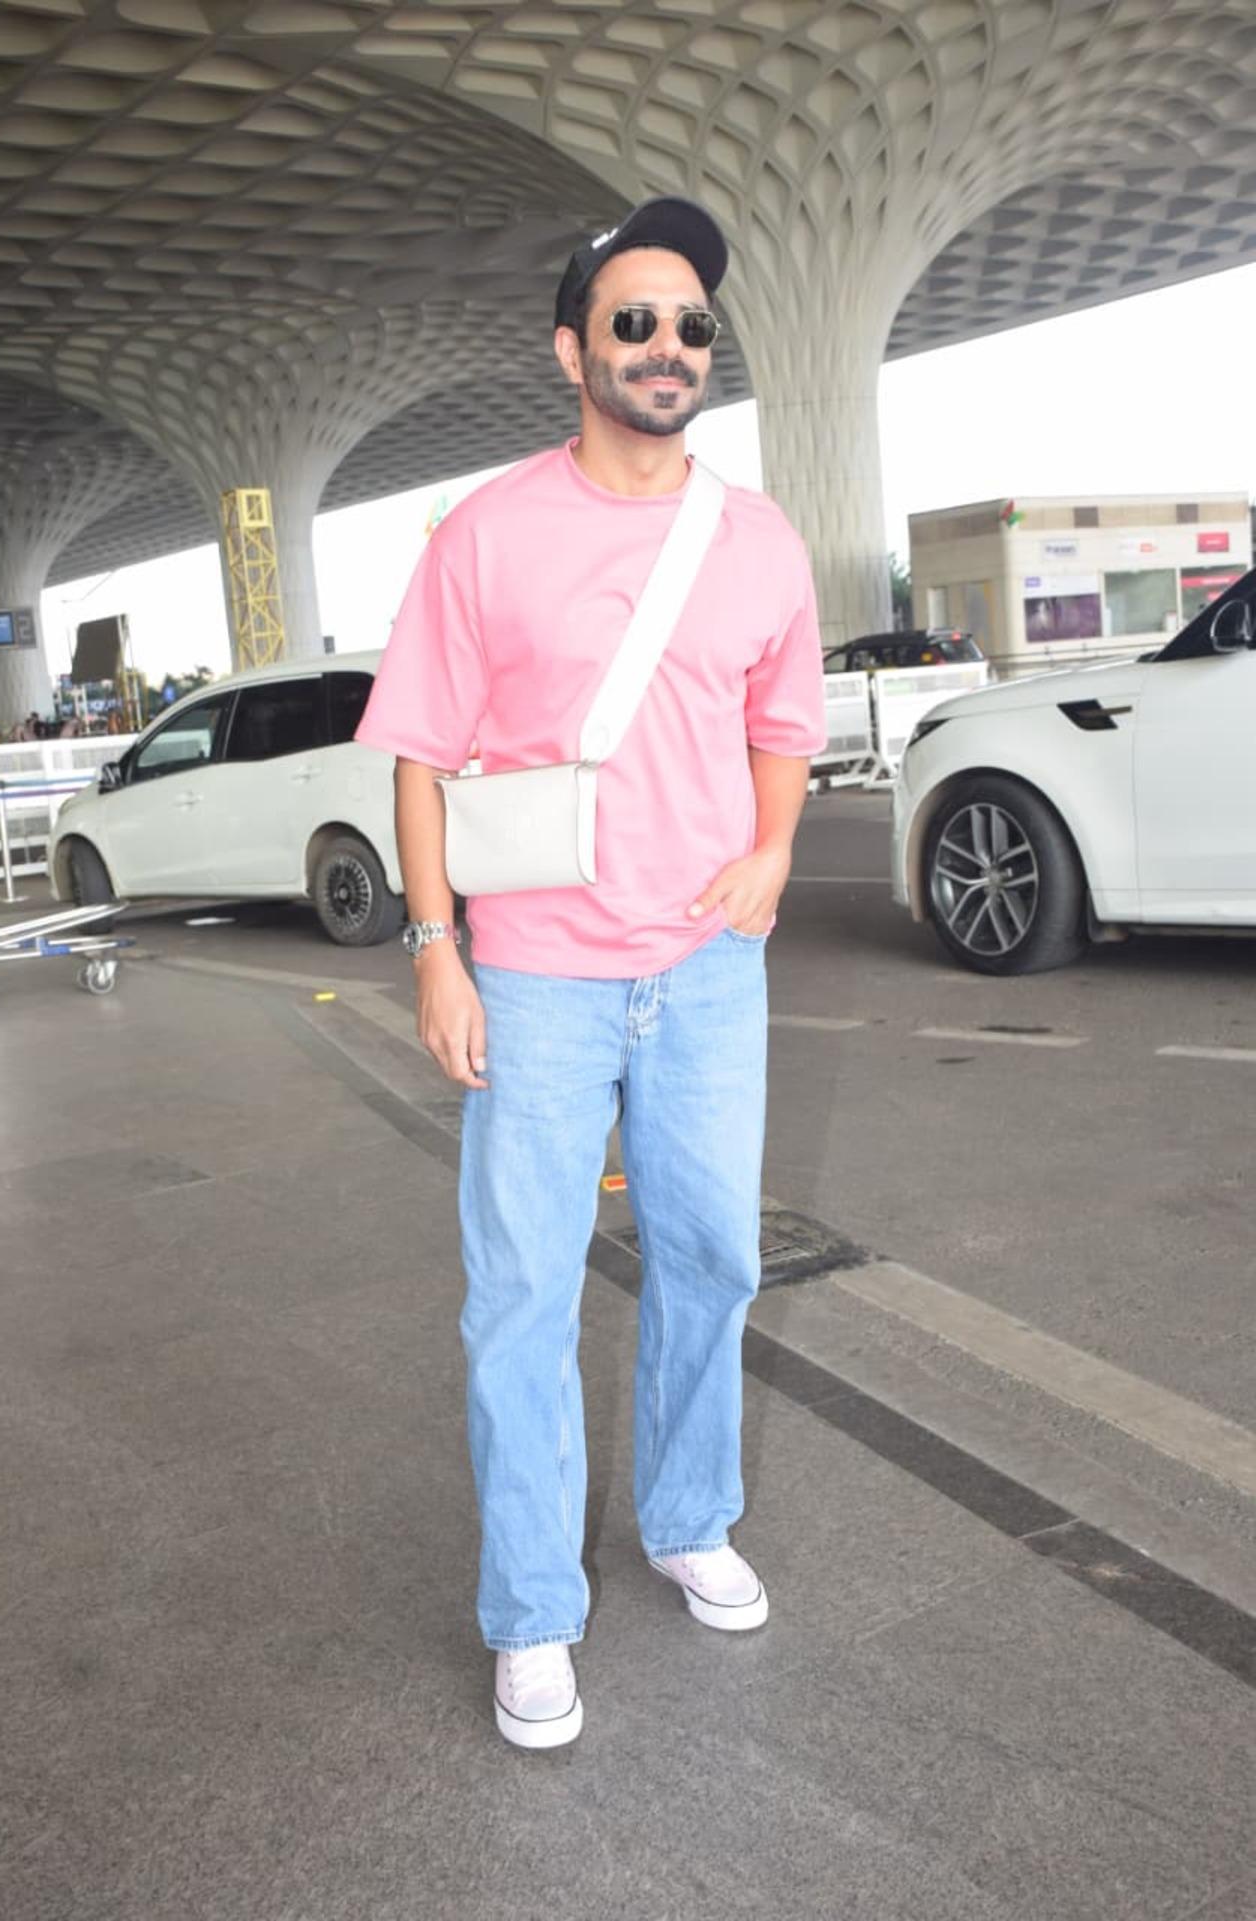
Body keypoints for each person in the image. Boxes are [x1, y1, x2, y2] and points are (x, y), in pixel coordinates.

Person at [356, 197, 826, 1751]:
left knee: (715, 1261)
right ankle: (530, 1611)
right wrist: (437, 950)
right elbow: (419, 756)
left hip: (707, 969)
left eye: (690, 323)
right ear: (574, 350)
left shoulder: (758, 539)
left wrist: (772, 852)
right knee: (520, 1299)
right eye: (635, 319)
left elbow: (784, 725)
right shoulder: (487, 533)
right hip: (539, 975)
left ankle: (689, 1515)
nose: (667, 344)